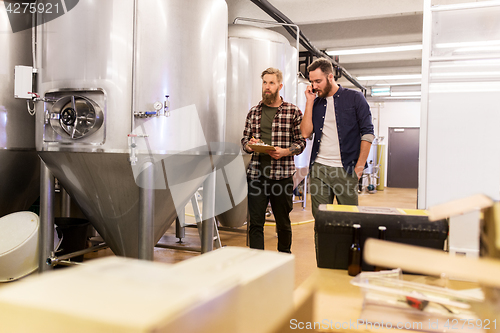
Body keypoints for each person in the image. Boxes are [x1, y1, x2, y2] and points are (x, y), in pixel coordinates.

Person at [241, 67, 306, 253]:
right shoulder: (253, 112)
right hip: (256, 176)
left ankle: (283, 258)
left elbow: (301, 142)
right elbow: (244, 140)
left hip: (282, 176)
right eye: (264, 82)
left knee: (283, 223)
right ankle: (256, 264)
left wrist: (285, 151)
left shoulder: (293, 111)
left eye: (271, 83)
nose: (267, 87)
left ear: (280, 85)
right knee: (255, 223)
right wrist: (250, 145)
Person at [301, 58, 375, 219]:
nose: (314, 86)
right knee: (320, 220)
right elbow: (305, 133)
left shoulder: (355, 98)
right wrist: (309, 102)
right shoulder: (316, 102)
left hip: (346, 169)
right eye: (312, 81)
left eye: (318, 81)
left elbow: (368, 133)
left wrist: (360, 167)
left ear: (330, 77)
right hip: (319, 168)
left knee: (348, 220)